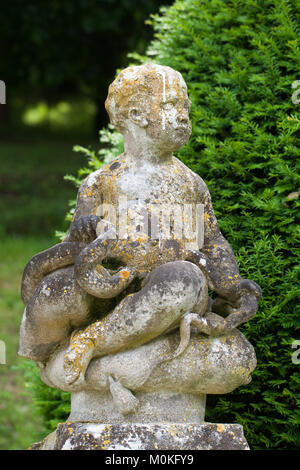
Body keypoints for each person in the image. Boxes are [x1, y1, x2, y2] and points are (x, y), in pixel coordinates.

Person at [19, 64, 261, 385]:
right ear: (136, 114)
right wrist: (88, 240)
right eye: (172, 105)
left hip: (164, 290)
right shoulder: (101, 181)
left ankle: (93, 341)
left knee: (183, 280)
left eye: (186, 106)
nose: (184, 115)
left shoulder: (190, 184)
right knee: (58, 289)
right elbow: (76, 249)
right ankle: (47, 350)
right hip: (112, 288)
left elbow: (212, 241)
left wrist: (230, 284)